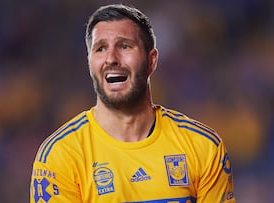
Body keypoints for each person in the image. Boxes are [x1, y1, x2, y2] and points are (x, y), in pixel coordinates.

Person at [30, 3, 235, 203]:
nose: (111, 58)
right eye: (100, 48)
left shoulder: (203, 146)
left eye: (125, 46)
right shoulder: (61, 154)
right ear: (90, 62)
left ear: (151, 60)